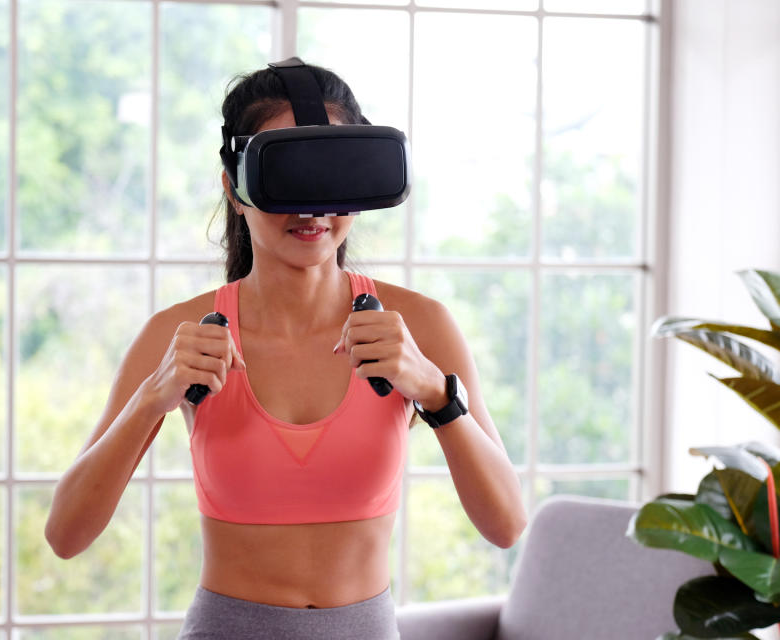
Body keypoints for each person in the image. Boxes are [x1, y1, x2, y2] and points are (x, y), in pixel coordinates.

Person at [44, 60, 527, 640]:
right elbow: (65, 535)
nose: (312, 209)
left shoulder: (419, 325)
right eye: (289, 175)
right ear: (234, 185)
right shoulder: (179, 334)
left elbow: (506, 525)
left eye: (331, 177)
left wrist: (434, 392)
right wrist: (152, 398)